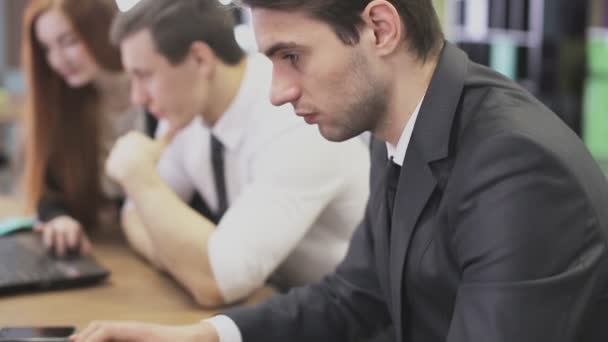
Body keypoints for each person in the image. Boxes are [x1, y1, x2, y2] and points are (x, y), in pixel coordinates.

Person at [71, 0, 608, 341]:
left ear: (379, 28)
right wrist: (201, 337)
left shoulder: (516, 167)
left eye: (292, 57)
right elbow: (354, 295)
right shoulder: (393, 128)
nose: (277, 91)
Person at [99, 0, 369, 308]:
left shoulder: (294, 122)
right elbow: (135, 215)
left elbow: (215, 283)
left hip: (351, 322)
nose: (137, 97)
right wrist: (183, 258)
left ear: (200, 60)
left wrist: (140, 177)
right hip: (275, 306)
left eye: (144, 75)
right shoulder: (187, 112)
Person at [22, 0, 155, 257]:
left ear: (103, 28)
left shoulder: (161, 93)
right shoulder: (68, 105)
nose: (57, 60)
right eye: (47, 48)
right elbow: (50, 191)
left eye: (69, 41)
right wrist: (59, 219)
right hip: (112, 253)